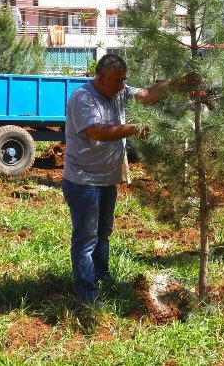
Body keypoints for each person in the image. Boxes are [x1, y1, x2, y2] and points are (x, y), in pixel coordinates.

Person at [62, 54, 191, 306]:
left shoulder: (117, 91)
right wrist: (133, 128)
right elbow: (96, 131)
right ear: (101, 78)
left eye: (124, 81)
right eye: (117, 81)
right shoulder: (83, 98)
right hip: (84, 181)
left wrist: (180, 82)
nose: (121, 86)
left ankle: (102, 278)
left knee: (103, 234)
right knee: (86, 238)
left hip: (107, 179)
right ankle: (86, 294)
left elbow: (146, 93)